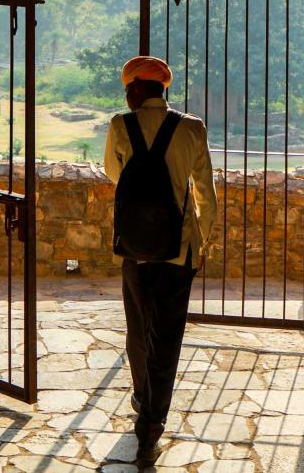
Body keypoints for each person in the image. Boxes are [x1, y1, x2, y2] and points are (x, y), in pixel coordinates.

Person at [104, 55, 217, 467]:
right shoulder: (191, 128)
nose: (127, 95)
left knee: (138, 328)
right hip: (178, 250)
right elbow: (205, 192)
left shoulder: (121, 125)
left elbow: (114, 175)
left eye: (128, 88)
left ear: (138, 87)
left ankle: (141, 396)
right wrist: (202, 242)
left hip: (135, 247)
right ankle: (151, 427)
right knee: (166, 339)